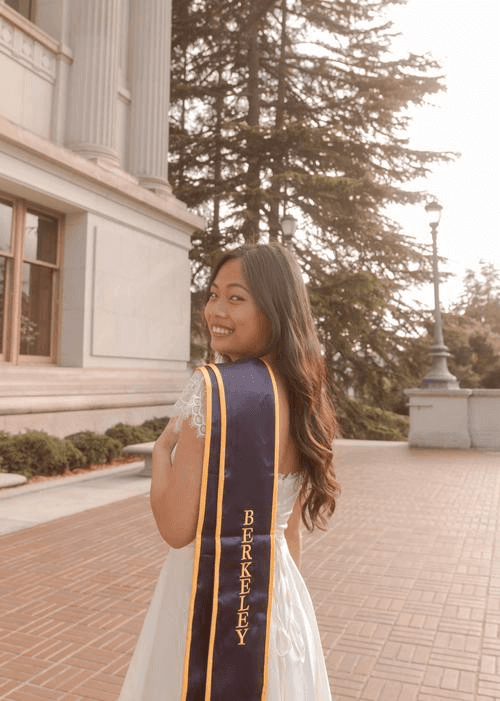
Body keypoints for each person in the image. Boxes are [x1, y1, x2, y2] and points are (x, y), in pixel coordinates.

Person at [118, 242, 340, 700]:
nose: (216, 311)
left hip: (208, 593)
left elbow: (176, 528)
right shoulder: (305, 394)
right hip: (278, 595)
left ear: (274, 309)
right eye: (213, 295)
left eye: (236, 298)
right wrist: (276, 608)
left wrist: (161, 454)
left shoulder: (215, 392)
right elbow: (288, 530)